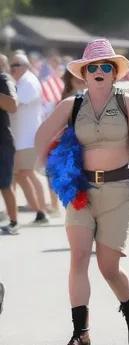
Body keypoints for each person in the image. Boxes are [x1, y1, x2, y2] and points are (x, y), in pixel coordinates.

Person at [35, 38, 129, 345]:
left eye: (105, 67)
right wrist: (59, 168)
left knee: (108, 267)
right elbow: (40, 138)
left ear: (114, 73)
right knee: (78, 258)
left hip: (118, 190)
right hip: (81, 192)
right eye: (93, 67)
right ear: (83, 74)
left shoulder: (127, 102)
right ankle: (80, 335)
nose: (99, 71)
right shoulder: (71, 106)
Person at [10, 53, 49, 225]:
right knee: (20, 175)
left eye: (17, 64)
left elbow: (15, 103)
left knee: (28, 173)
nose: (14, 68)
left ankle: (42, 210)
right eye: (12, 65)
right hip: (20, 139)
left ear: (26, 65)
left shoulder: (29, 82)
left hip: (28, 138)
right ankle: (38, 211)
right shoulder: (21, 82)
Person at [0, 54, 19, 235]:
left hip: (2, 141)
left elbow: (13, 105)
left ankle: (13, 222)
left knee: (5, 184)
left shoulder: (4, 79)